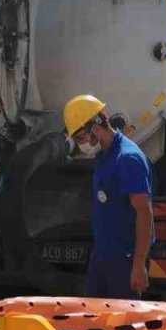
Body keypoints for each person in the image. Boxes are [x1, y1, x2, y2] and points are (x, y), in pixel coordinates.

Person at [63, 94, 154, 299]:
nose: (80, 146)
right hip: (103, 255)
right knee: (95, 324)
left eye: (80, 138)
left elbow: (144, 213)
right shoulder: (104, 155)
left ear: (95, 128)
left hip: (125, 259)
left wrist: (138, 265)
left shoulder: (128, 159)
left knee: (123, 326)